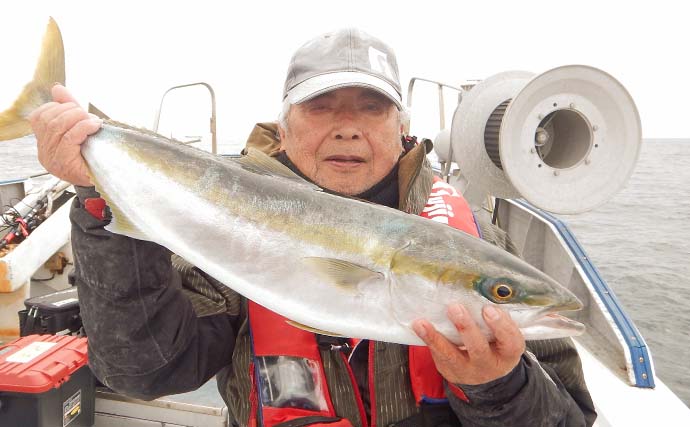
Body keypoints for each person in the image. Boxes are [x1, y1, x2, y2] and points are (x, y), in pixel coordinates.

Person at [29, 28, 596, 427]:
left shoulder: (475, 242)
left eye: (370, 108)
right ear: (285, 126)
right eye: (322, 107)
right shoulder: (224, 223)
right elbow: (145, 371)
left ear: (403, 126)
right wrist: (100, 199)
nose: (347, 129)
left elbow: (571, 418)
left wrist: (499, 387)